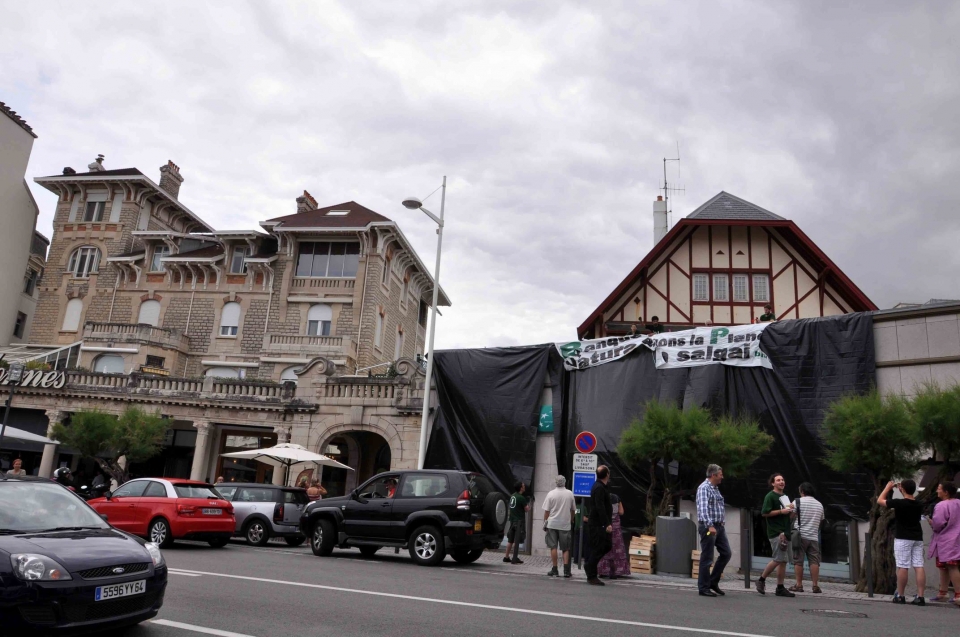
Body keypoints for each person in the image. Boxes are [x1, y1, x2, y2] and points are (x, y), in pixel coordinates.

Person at [878, 479, 925, 604]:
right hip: (917, 537)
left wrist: (888, 488)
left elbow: (880, 501)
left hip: (903, 537)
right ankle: (920, 596)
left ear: (902, 489)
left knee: (903, 566)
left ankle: (901, 595)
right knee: (918, 565)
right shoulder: (919, 503)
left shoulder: (900, 503)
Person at [757, 473, 796, 597]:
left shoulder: (785, 496)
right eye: (778, 480)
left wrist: (792, 512)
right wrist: (781, 511)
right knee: (778, 558)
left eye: (783, 480)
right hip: (776, 532)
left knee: (783, 561)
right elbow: (764, 513)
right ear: (773, 483)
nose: (781, 482)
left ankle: (780, 587)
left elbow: (786, 515)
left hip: (786, 531)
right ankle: (761, 580)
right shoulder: (770, 496)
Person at [696, 464, 732, 597]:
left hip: (719, 526)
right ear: (713, 475)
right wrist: (710, 525)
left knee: (726, 553)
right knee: (707, 557)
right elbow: (703, 509)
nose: (722, 477)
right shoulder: (704, 488)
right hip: (708, 526)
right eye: (720, 474)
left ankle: (713, 582)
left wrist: (720, 524)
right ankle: (703, 587)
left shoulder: (715, 488)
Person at [927, 481, 960, 605]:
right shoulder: (959, 503)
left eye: (939, 488)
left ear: (946, 492)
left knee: (951, 566)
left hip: (945, 539)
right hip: (957, 538)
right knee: (945, 565)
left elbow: (938, 523)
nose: (937, 491)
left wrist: (931, 523)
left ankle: (957, 594)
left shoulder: (941, 505)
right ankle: (943, 592)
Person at [789, 482, 825, 594]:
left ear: (802, 491)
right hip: (814, 537)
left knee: (798, 561)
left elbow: (790, 516)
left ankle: (799, 585)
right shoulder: (819, 504)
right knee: (814, 561)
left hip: (800, 536)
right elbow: (821, 521)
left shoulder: (798, 501)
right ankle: (815, 585)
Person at [542, 475, 576, 578]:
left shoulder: (551, 494)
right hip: (565, 524)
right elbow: (573, 510)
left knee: (553, 547)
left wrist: (545, 522)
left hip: (552, 524)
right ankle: (566, 571)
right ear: (564, 482)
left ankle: (555, 569)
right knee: (565, 548)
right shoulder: (569, 494)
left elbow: (546, 511)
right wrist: (571, 519)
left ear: (556, 483)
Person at [585, 465, 613, 586]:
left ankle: (590, 567)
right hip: (598, 524)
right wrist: (606, 523)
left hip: (599, 523)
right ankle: (591, 573)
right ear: (607, 474)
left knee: (606, 545)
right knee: (599, 547)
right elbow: (599, 506)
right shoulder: (599, 488)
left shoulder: (602, 487)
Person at [598, 493, 630, 579]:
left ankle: (603, 570)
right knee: (616, 549)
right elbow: (621, 512)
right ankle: (616, 571)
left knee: (604, 548)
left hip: (606, 526)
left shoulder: (603, 499)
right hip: (616, 528)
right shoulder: (617, 498)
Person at [504, 481, 529, 564]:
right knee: (517, 540)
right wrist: (528, 507)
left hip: (512, 520)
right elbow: (526, 509)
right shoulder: (521, 498)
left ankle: (506, 556)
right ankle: (515, 557)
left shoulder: (513, 496)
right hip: (519, 522)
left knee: (510, 540)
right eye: (523, 485)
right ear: (521, 488)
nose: (524, 486)